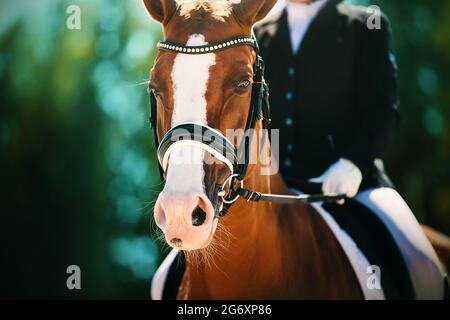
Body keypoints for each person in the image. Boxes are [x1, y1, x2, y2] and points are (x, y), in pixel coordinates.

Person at [255, 0, 447, 299]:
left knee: (422, 264)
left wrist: (353, 165)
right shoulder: (257, 33)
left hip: (355, 185)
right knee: (174, 272)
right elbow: (247, 116)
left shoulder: (365, 24)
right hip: (273, 188)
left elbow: (382, 109)